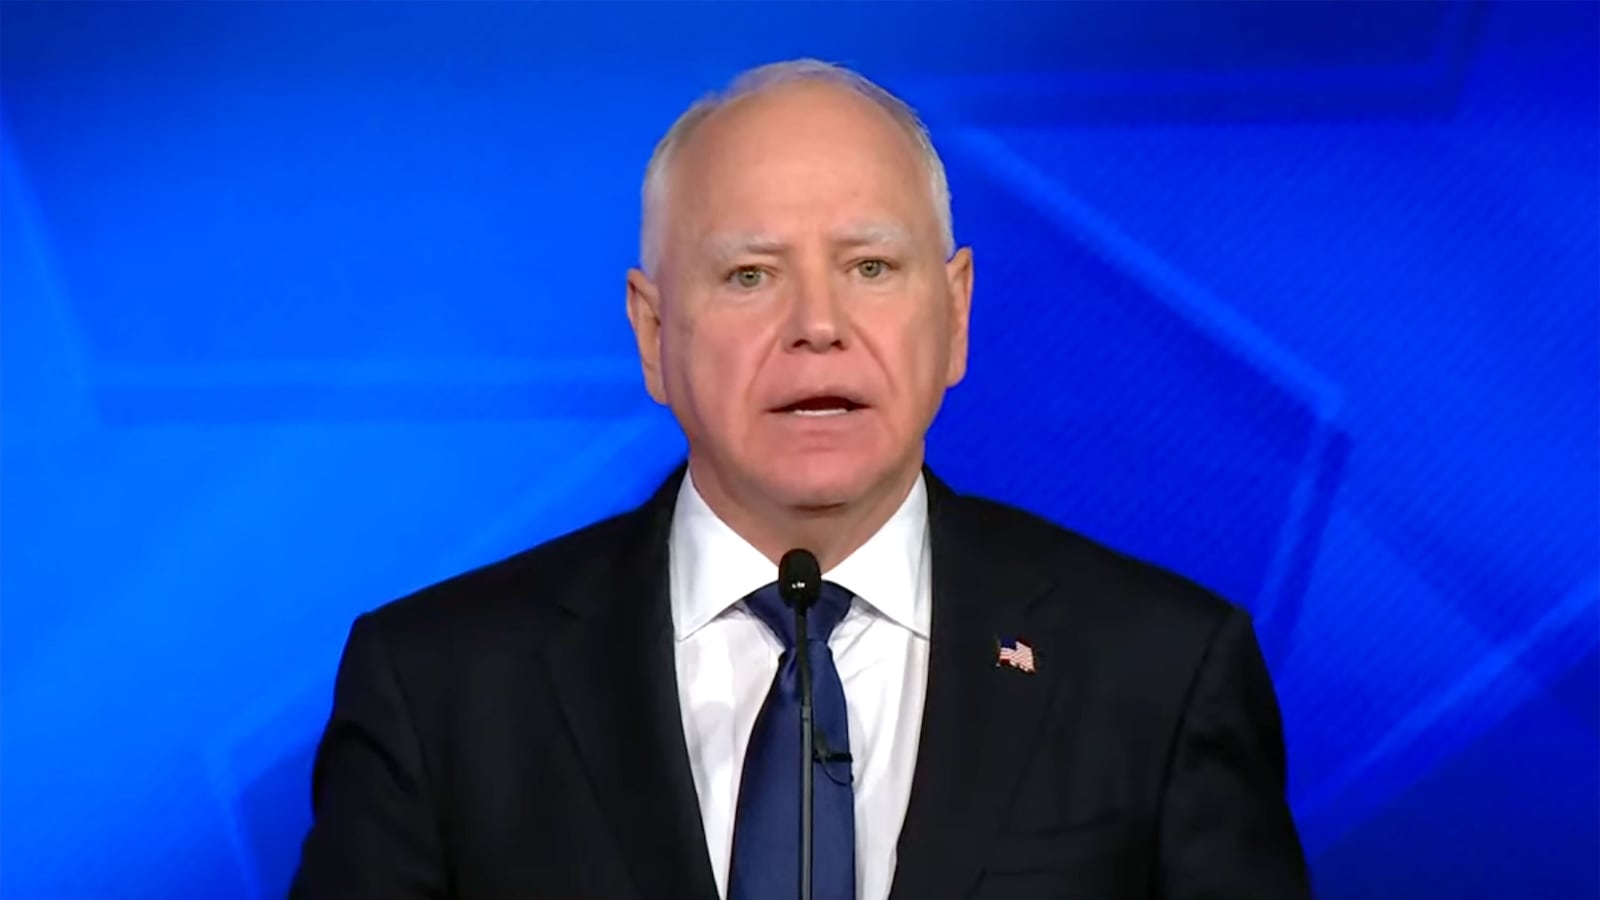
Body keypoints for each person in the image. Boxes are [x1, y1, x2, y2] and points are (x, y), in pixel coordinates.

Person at [289, 58, 1311, 900]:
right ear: (653, 336)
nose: (817, 326)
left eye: (870, 267)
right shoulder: (439, 687)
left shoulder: (1159, 670)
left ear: (953, 314)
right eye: (750, 276)